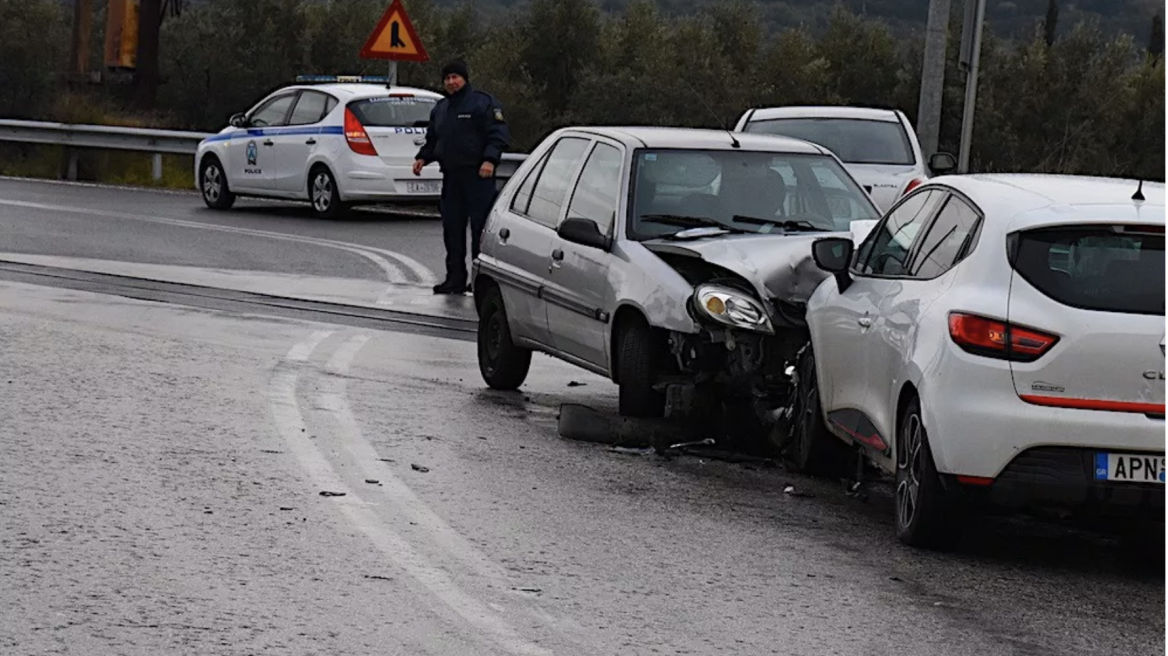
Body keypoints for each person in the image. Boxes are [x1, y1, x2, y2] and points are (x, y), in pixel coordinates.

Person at [413, 60, 512, 294]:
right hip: (452, 177)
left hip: (478, 176)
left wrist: (490, 159)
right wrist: (423, 158)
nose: (451, 82)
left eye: (455, 77)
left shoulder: (482, 102)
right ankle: (455, 278)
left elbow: (498, 134)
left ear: (464, 79)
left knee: (480, 230)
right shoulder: (441, 109)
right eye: (447, 78)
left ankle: (480, 282)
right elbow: (434, 140)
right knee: (452, 229)